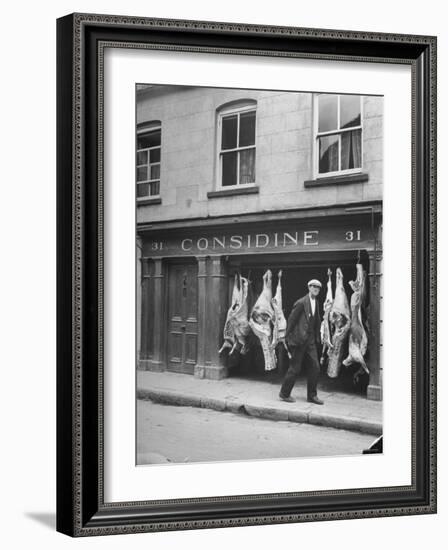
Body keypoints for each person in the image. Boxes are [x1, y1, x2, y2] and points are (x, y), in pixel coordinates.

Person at [279, 279, 324, 405]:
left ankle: (312, 396)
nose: (316, 289)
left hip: (310, 341)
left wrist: (317, 337)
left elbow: (316, 320)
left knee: (315, 367)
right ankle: (284, 393)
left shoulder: (317, 302)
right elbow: (292, 320)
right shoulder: (301, 302)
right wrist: (286, 337)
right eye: (313, 287)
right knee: (295, 368)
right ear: (309, 288)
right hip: (299, 340)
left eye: (318, 288)